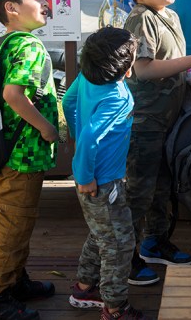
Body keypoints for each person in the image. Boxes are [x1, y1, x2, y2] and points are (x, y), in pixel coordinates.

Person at [120, 0, 191, 285]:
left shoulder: (170, 16)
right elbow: (144, 69)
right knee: (139, 190)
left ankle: (154, 242)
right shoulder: (140, 18)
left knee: (162, 186)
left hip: (169, 119)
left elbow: (173, 63)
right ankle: (125, 259)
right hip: (144, 121)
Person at [0, 0, 59, 320]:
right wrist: (47, 129)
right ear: (11, 8)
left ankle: (14, 281)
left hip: (10, 152)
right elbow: (14, 95)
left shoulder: (6, 42)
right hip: (21, 155)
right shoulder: (28, 46)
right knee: (13, 227)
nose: (45, 3)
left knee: (18, 222)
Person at [62, 27, 150, 320]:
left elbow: (69, 102)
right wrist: (85, 173)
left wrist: (81, 158)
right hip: (102, 182)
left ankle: (85, 287)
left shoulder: (88, 77)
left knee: (103, 232)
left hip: (92, 178)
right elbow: (89, 137)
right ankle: (115, 307)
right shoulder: (117, 97)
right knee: (120, 244)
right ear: (125, 69)